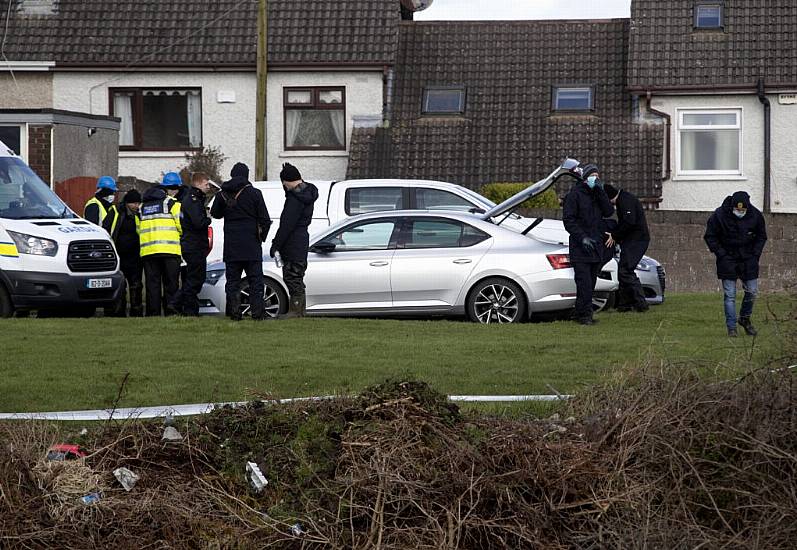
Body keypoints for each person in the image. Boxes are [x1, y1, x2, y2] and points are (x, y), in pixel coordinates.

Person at [210, 162, 271, 321]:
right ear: (246, 175)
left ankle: (235, 314)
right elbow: (265, 219)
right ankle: (258, 313)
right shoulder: (255, 194)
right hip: (251, 246)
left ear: (232, 174)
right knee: (255, 282)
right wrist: (261, 237)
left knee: (232, 282)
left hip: (232, 246)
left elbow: (215, 214)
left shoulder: (222, 194)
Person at [704, 191, 767, 337]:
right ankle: (731, 327)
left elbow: (761, 236)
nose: (740, 212)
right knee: (730, 295)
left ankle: (744, 319)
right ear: (732, 207)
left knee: (752, 291)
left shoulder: (755, 215)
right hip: (728, 259)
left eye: (743, 210)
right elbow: (710, 236)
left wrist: (755, 254)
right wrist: (721, 254)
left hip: (748, 259)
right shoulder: (719, 215)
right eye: (737, 210)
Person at [562, 164, 615, 325]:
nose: (596, 178)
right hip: (580, 248)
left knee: (590, 284)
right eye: (593, 175)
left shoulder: (598, 195)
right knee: (584, 283)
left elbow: (608, 212)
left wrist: (600, 192)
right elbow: (569, 221)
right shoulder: (574, 195)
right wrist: (582, 238)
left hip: (596, 247)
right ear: (585, 178)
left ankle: (580, 313)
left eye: (597, 176)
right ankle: (585, 316)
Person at [269, 163, 319, 319]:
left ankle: (296, 311)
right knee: (297, 276)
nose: (283, 185)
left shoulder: (294, 199)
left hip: (292, 243)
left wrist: (276, 244)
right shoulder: (307, 193)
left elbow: (286, 225)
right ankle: (299, 311)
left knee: (292, 277)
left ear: (287, 180)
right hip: (302, 240)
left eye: (283, 182)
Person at [139, 172, 183, 316]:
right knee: (171, 284)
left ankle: (153, 314)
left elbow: (139, 228)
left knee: (152, 285)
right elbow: (181, 226)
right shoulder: (172, 204)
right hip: (170, 250)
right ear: (173, 188)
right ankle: (171, 312)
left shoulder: (143, 206)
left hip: (148, 251)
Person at [170, 172, 212, 316]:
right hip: (194, 245)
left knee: (193, 279)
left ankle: (190, 310)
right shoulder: (193, 200)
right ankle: (177, 303)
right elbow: (198, 222)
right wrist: (208, 219)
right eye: (206, 184)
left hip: (192, 244)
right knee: (195, 279)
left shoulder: (192, 199)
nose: (208, 187)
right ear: (199, 184)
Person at [603, 184, 650, 313]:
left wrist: (615, 235)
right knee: (623, 271)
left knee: (626, 271)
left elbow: (629, 222)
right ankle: (624, 305)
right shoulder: (624, 199)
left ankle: (641, 303)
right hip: (633, 240)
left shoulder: (625, 201)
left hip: (637, 240)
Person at [102, 189, 144, 316]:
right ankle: (117, 313)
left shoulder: (139, 215)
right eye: (134, 203)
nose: (136, 206)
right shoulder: (115, 211)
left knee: (136, 286)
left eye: (138, 203)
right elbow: (106, 229)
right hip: (119, 256)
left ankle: (136, 312)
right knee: (120, 286)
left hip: (135, 256)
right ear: (127, 203)